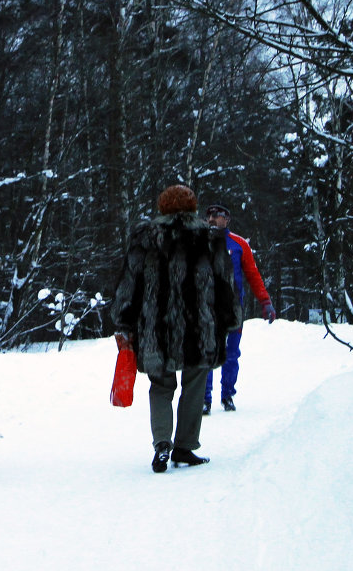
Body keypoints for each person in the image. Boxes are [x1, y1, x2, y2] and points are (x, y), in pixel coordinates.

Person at [109, 185, 242, 473]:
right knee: (194, 385)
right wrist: (231, 319)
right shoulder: (210, 237)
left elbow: (129, 283)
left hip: (156, 326)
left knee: (161, 386)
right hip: (201, 326)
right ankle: (184, 446)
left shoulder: (145, 236)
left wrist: (122, 320)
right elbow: (224, 285)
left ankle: (161, 444)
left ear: (162, 207)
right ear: (193, 207)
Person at [202, 202, 277, 415]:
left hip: (234, 307)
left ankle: (227, 394)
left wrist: (265, 301)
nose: (211, 219)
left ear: (227, 219)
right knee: (207, 352)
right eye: (208, 215)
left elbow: (253, 274)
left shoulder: (239, 244)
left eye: (216, 215)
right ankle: (204, 398)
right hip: (207, 307)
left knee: (231, 353)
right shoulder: (199, 241)